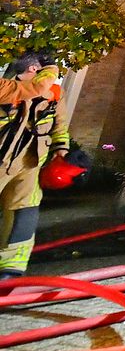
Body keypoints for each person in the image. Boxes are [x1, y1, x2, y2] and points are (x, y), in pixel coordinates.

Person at [0, 53, 63, 280]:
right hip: (3, 159)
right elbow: (35, 88)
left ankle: (11, 267)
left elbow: (59, 123)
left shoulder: (55, 93)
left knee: (24, 211)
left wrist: (61, 149)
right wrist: (52, 68)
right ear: (34, 69)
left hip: (30, 162)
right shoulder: (9, 88)